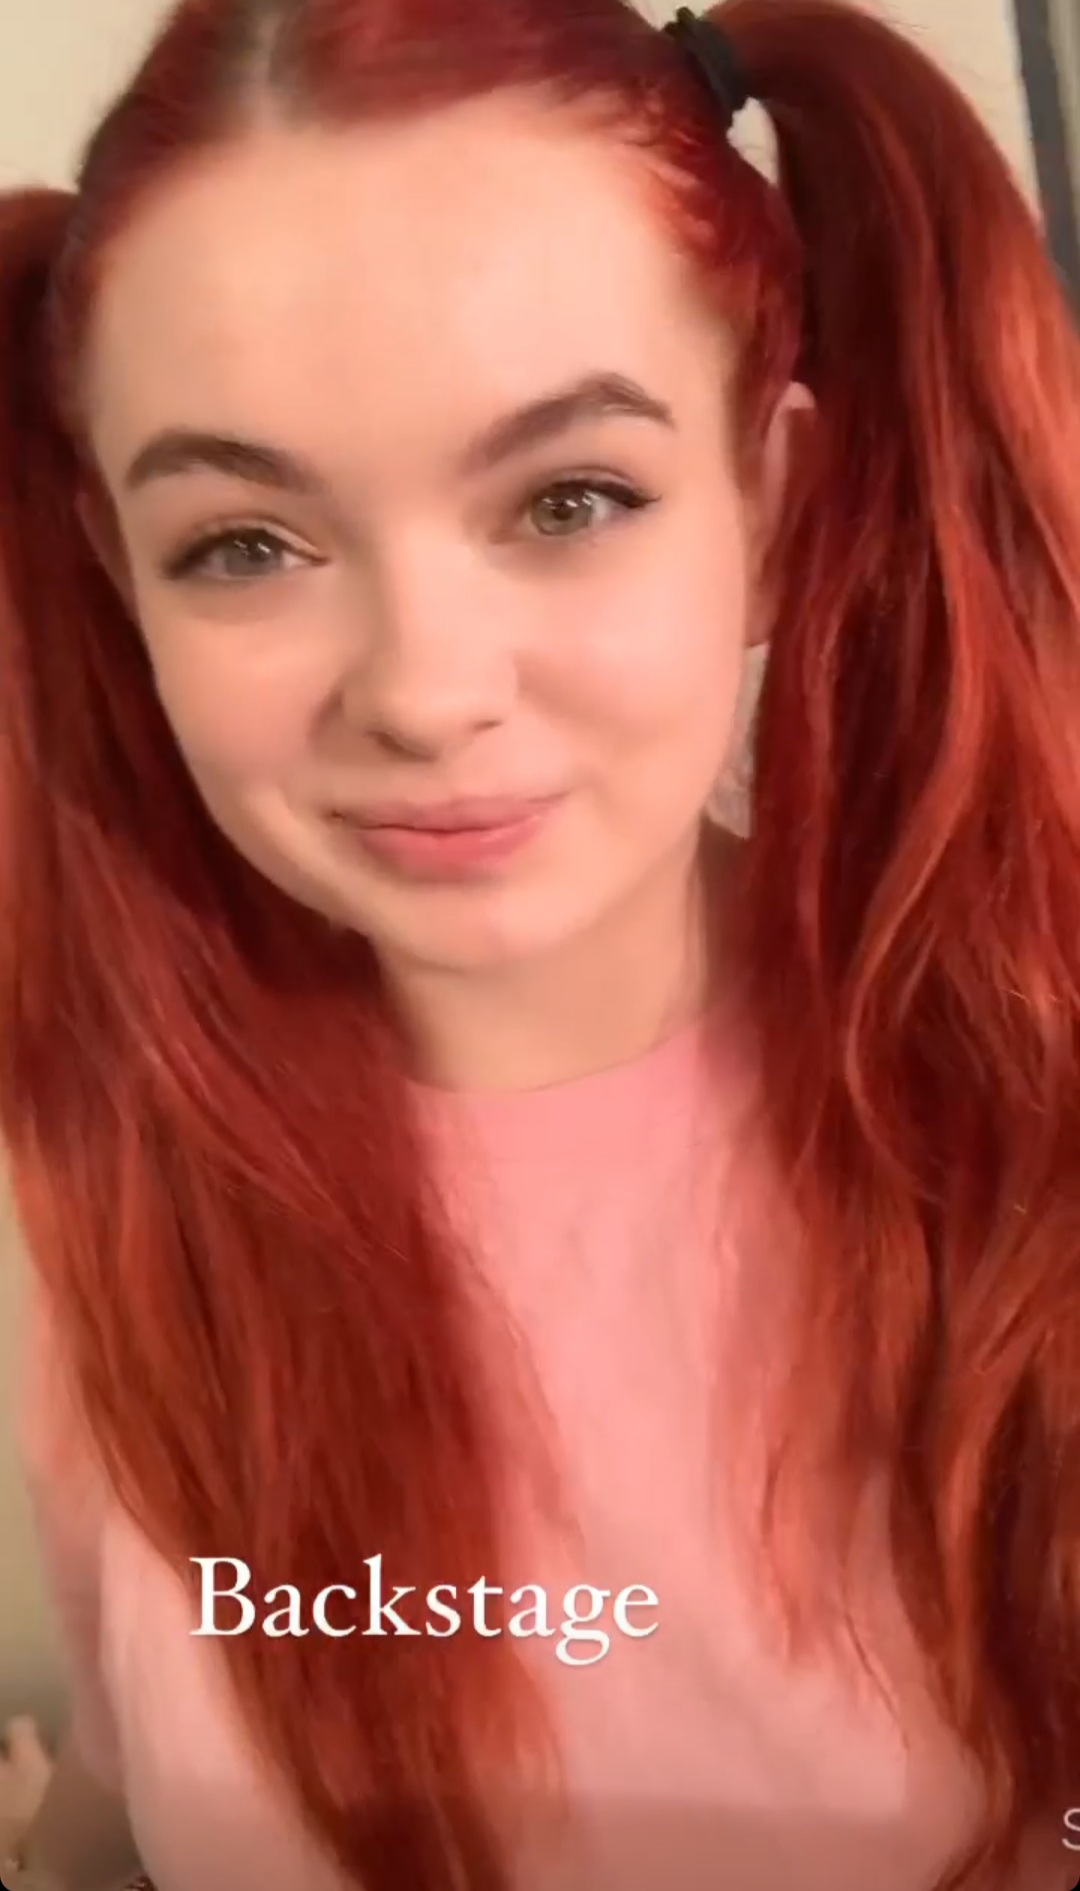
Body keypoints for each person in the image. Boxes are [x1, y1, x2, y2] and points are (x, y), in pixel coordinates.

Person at [1, 0, 1078, 1885]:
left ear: (771, 503)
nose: (424, 693)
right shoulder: (85, 1174)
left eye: (572, 500)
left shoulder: (1025, 1138)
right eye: (245, 543)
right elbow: (152, 1755)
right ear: (121, 570)